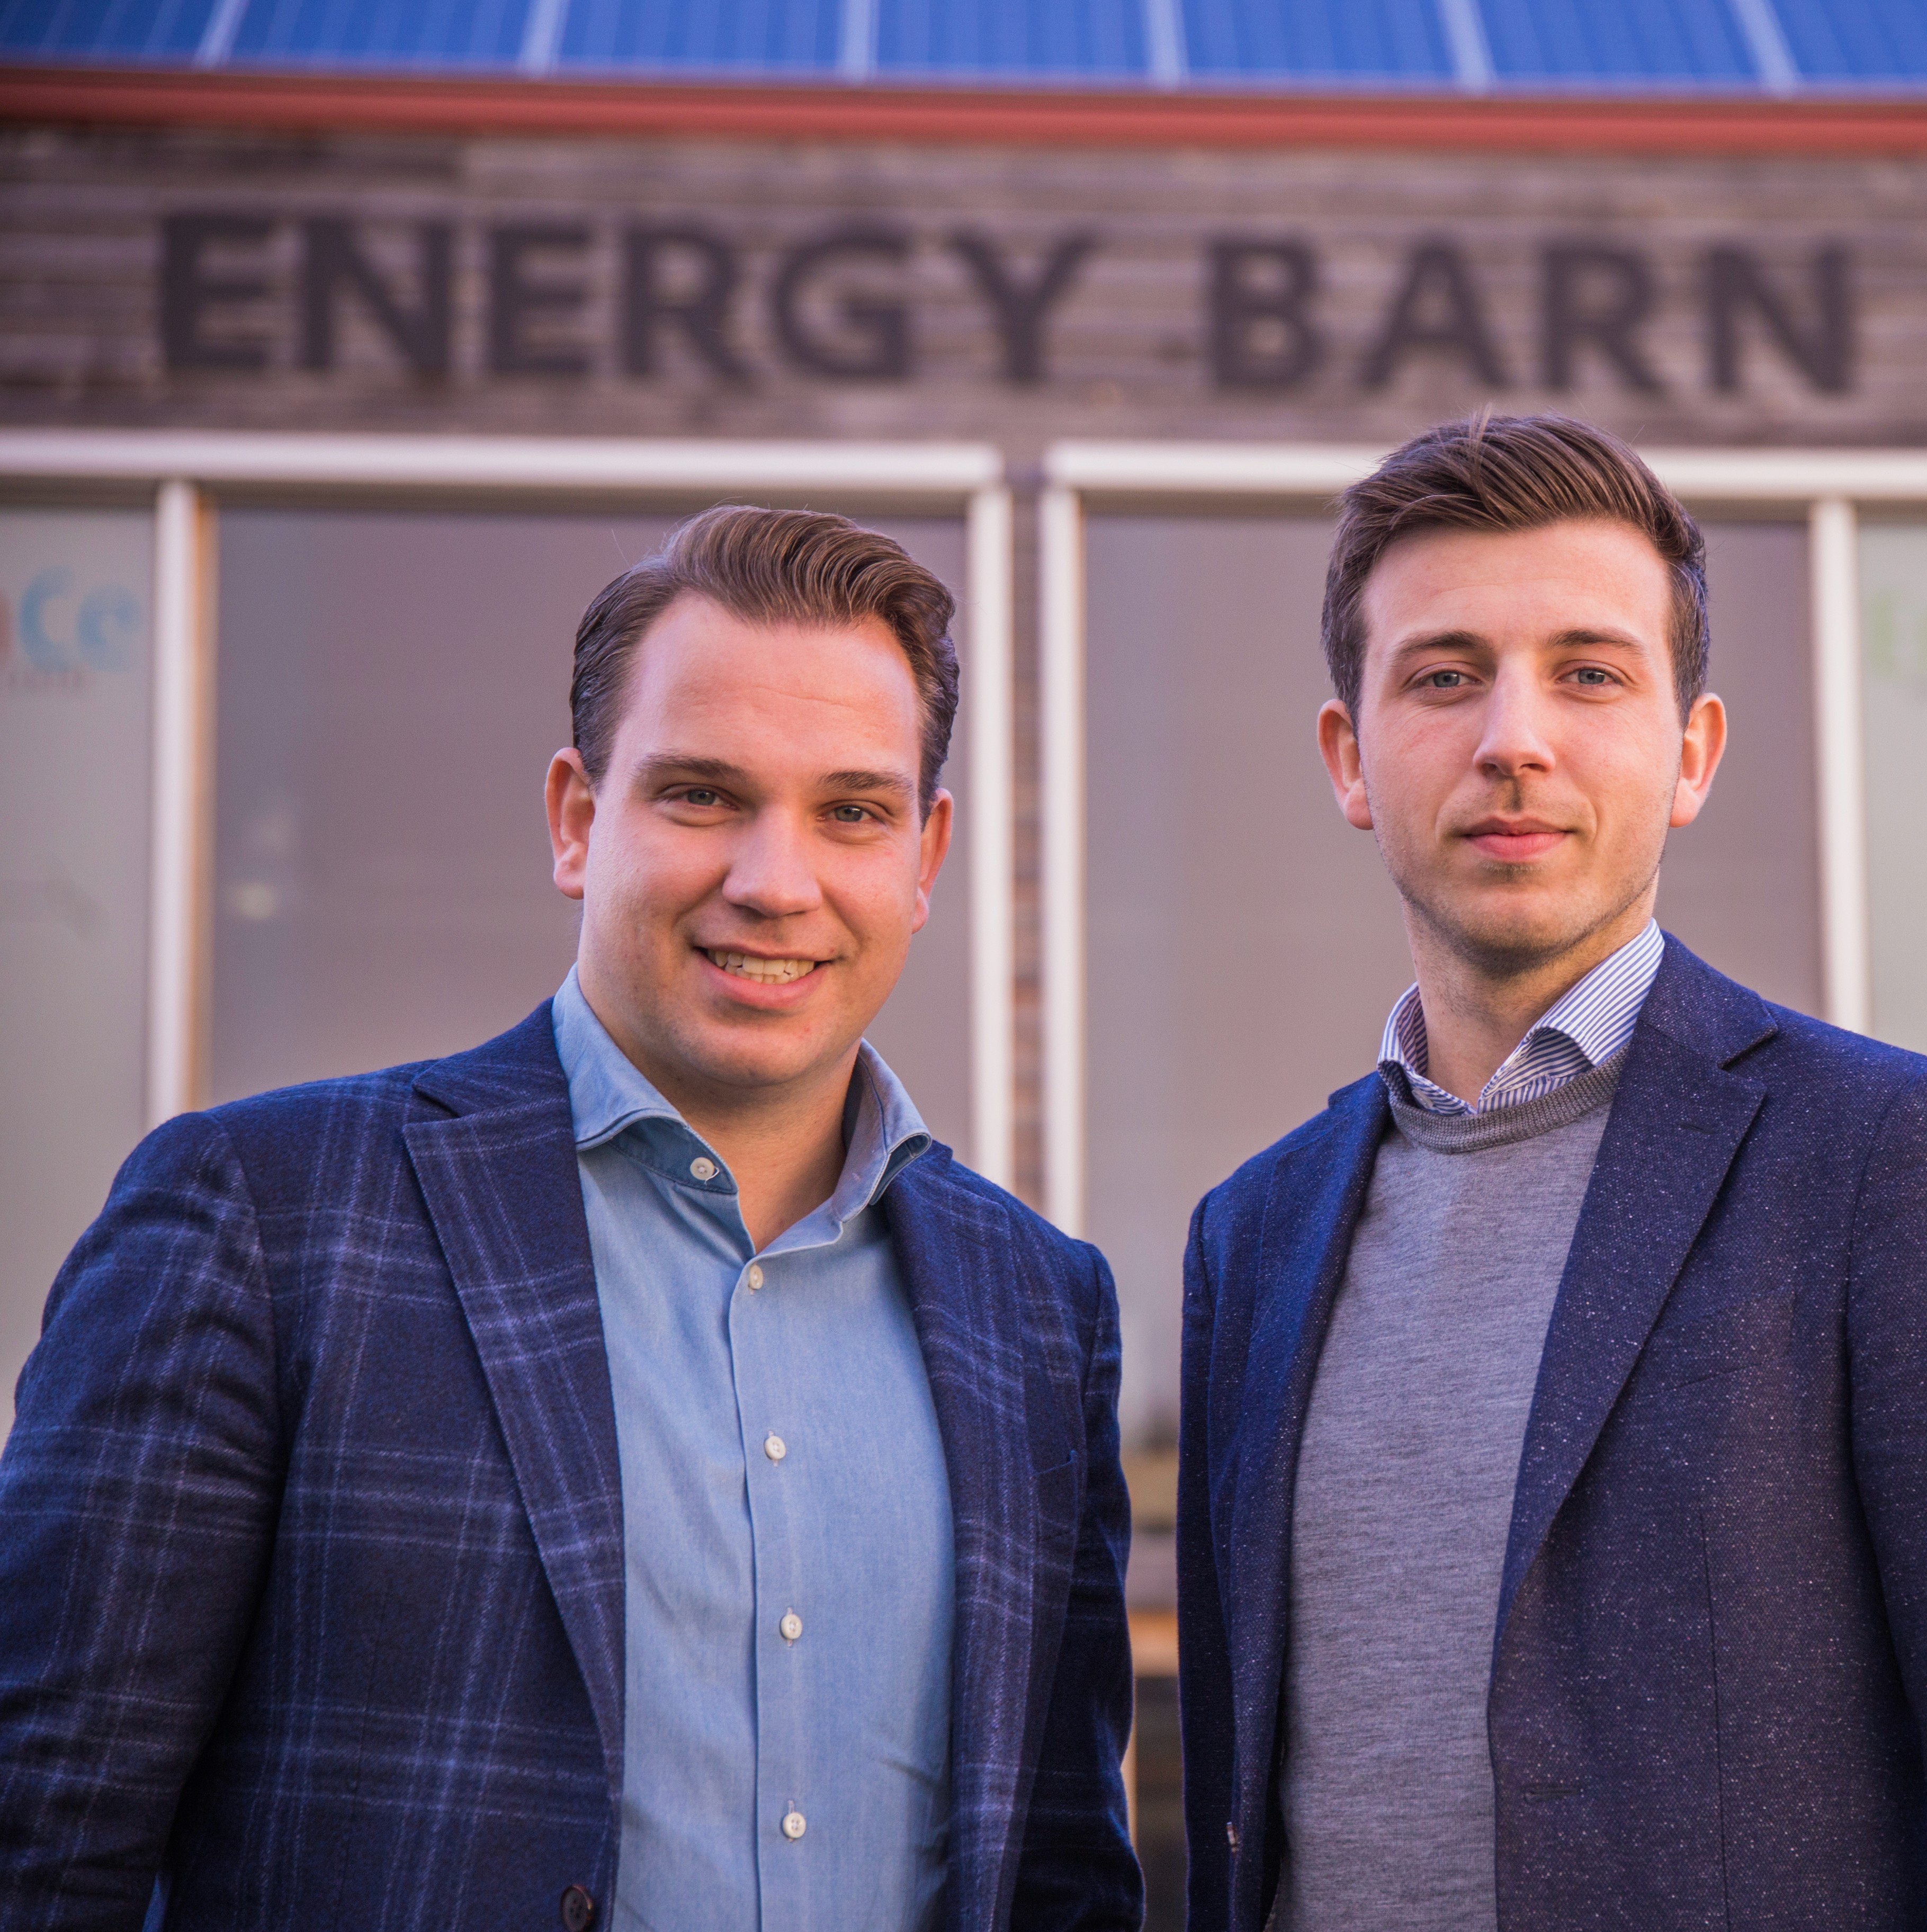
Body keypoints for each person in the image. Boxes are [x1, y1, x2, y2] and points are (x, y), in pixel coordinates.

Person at [0, 508, 1137, 1932]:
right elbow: (44, 1837)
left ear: (924, 855)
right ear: (578, 819)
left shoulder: (1039, 1311)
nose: (775, 883)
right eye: (704, 796)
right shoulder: (268, 1220)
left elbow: (1060, 1880)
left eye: (851, 811)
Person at [1175, 416, 1927, 1930]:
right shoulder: (1250, 1240)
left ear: (1691, 752)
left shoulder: (1893, 1168)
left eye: (1590, 674)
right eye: (1445, 676)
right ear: (1350, 759)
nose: (1515, 737)